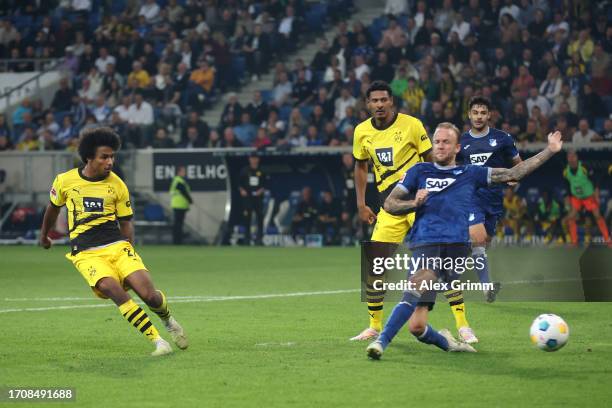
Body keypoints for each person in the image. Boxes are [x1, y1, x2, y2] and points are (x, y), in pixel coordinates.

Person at [366, 124, 563, 359]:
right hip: (422, 244)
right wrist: (413, 204)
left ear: (457, 147)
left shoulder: (470, 173)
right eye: (437, 141)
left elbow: (514, 173)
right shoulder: (419, 171)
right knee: (417, 326)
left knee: (418, 284)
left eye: (446, 142)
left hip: (453, 248)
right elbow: (390, 204)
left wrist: (549, 150)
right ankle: (451, 344)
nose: (440, 145)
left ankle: (381, 342)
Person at [39, 127, 188, 356]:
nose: (110, 161)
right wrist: (44, 235)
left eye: (112, 156)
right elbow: (53, 209)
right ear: (89, 157)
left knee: (150, 295)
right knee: (113, 290)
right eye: (104, 156)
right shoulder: (65, 181)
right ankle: (158, 342)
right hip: (86, 253)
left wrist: (130, 248)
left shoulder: (117, 184)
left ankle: (168, 320)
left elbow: (126, 222)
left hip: (117, 246)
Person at [350, 80, 474, 342]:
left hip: (423, 205)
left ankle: (463, 324)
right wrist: (361, 204)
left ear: (391, 102)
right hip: (391, 206)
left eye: (384, 99)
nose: (380, 104)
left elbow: (434, 161)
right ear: (368, 104)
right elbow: (360, 167)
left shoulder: (412, 125)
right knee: (375, 264)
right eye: (375, 101)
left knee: (446, 264)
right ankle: (374, 325)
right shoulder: (361, 132)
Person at [457, 96, 522, 307]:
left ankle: (447, 268)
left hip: (494, 200)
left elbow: (518, 165)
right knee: (478, 239)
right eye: (475, 112)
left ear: (489, 115)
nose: (478, 116)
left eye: (482, 113)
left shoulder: (502, 139)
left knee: (481, 244)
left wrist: (514, 177)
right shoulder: (462, 141)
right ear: (469, 115)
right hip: (471, 198)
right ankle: (486, 287)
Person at [562, 150, 610, 246]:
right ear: (567, 159)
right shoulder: (566, 172)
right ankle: (574, 241)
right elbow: (567, 187)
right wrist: (567, 200)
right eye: (569, 157)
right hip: (576, 197)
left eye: (573, 156)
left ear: (576, 157)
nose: (571, 159)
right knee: (571, 217)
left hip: (589, 196)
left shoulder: (584, 167)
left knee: (597, 216)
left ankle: (608, 240)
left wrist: (596, 195)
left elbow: (595, 181)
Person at [239, 155, 267, 245]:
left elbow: (266, 184)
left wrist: (261, 190)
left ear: (258, 159)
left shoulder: (262, 171)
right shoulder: (244, 170)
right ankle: (246, 239)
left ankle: (259, 239)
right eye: (252, 158)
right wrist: (242, 190)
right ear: (249, 159)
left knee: (260, 217)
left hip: (258, 198)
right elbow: (239, 183)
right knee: (247, 218)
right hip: (248, 198)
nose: (254, 160)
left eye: (255, 158)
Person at [170, 166, 193, 245]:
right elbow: (184, 192)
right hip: (178, 205)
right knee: (178, 224)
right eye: (183, 171)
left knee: (179, 224)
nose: (184, 173)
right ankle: (177, 241)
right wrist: (190, 200)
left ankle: (177, 241)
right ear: (179, 172)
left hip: (180, 205)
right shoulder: (178, 181)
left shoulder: (179, 180)